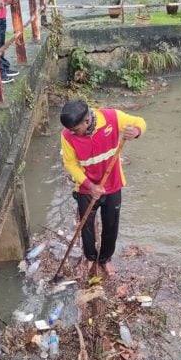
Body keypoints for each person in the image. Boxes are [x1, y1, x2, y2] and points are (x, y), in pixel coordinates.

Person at [60, 99, 146, 277]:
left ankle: (105, 259)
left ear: (87, 121)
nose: (72, 133)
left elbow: (140, 122)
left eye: (76, 129)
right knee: (87, 225)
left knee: (111, 224)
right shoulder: (67, 135)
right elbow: (70, 163)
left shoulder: (112, 118)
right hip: (86, 188)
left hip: (112, 184)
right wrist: (89, 186)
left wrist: (136, 131)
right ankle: (90, 257)